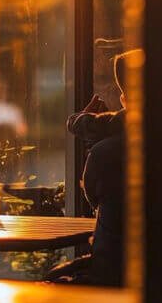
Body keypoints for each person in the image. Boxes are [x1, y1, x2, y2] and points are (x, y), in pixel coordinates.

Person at [49, 49, 142, 287]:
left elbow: (95, 201)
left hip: (110, 279)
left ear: (124, 101)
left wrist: (92, 136)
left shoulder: (106, 154)